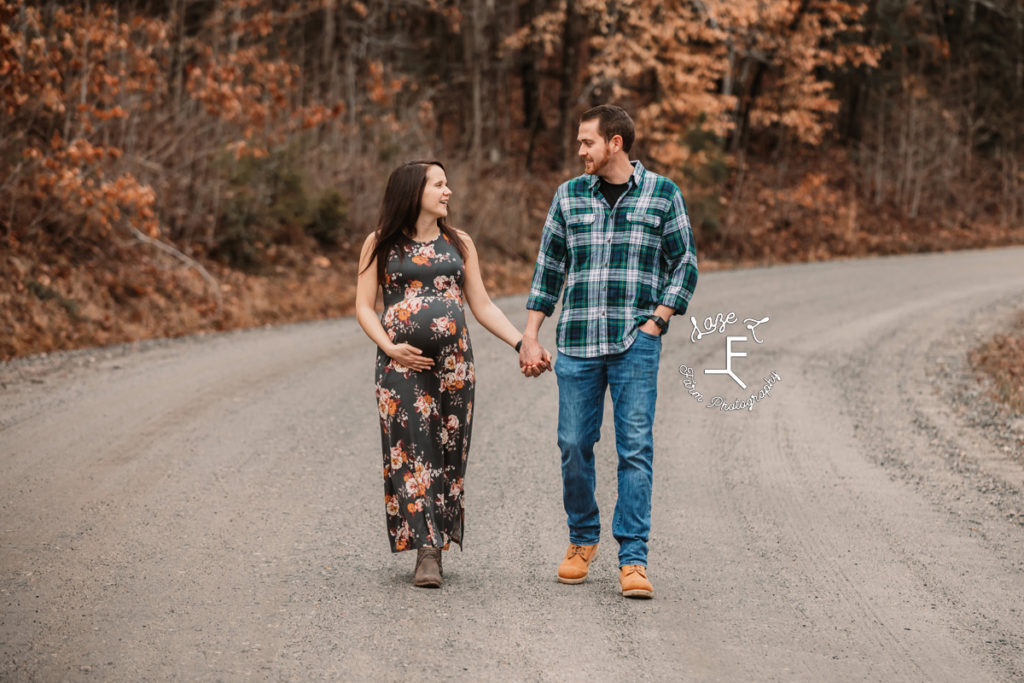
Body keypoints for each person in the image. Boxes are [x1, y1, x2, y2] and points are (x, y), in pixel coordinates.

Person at [518, 105, 698, 599]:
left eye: (587, 142)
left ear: (615, 142)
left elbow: (684, 262)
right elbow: (548, 269)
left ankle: (633, 558)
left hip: (633, 344)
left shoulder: (663, 194)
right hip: (576, 341)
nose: (580, 151)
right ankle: (582, 540)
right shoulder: (569, 196)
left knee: (634, 449)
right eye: (579, 142)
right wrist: (531, 334)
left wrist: (659, 319)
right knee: (573, 444)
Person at [356, 160, 551, 588]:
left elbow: (481, 306)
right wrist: (389, 347)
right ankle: (426, 551)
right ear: (413, 191)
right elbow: (364, 306)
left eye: (447, 184)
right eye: (439, 185)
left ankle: (439, 539)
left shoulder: (459, 243)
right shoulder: (380, 244)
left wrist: (522, 343)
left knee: (447, 449)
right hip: (400, 365)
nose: (448, 192)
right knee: (411, 451)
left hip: (455, 365)